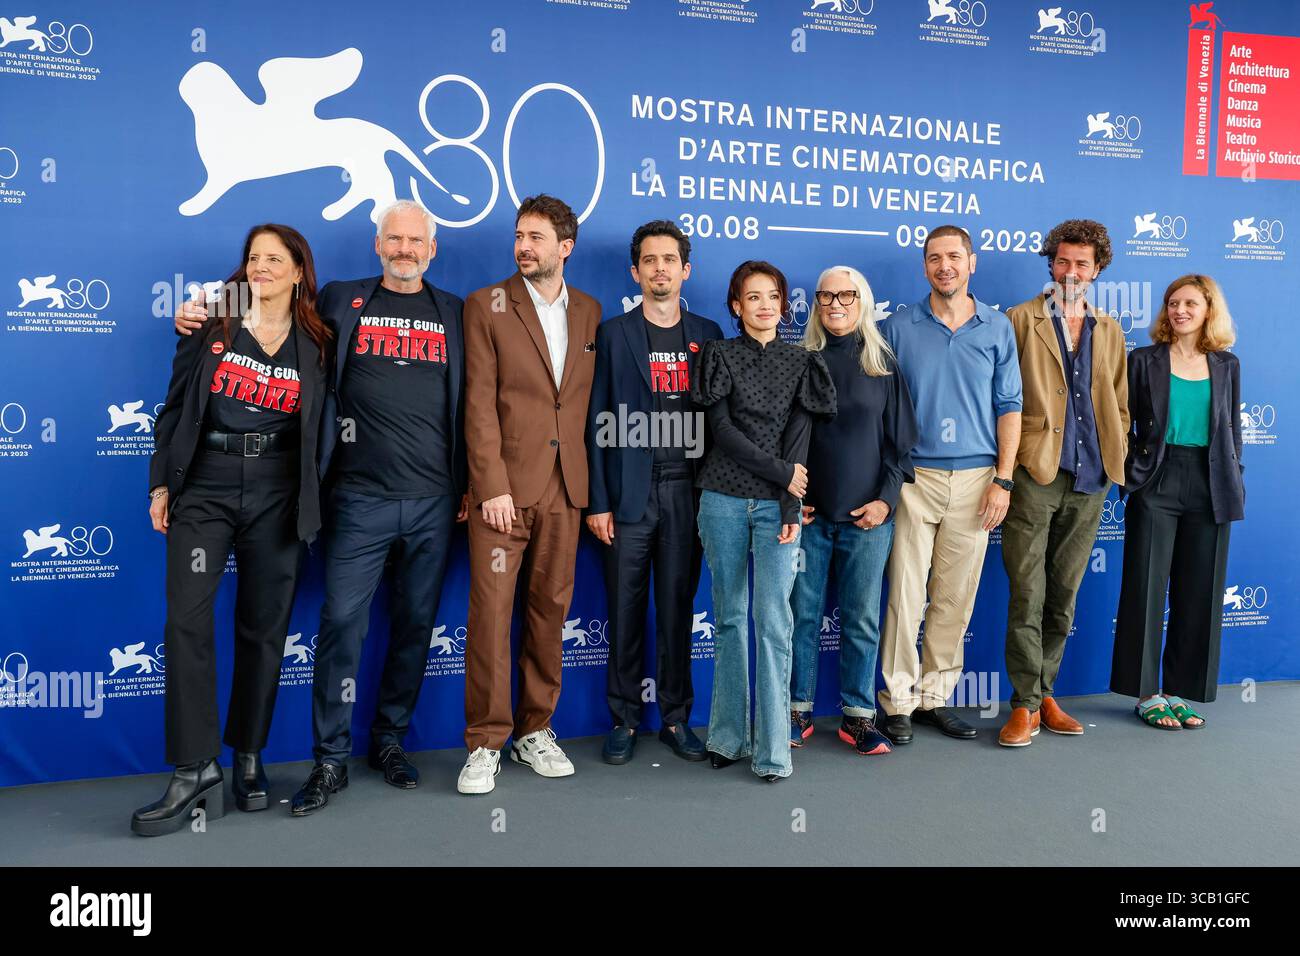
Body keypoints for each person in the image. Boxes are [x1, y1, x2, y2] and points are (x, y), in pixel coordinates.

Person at [174, 199, 468, 817]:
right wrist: (202, 310)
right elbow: (267, 299)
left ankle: (389, 740)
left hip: (434, 500)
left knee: (416, 624)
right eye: (394, 239)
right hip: (356, 498)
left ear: (432, 250)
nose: (405, 249)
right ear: (377, 245)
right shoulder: (339, 300)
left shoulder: (457, 313)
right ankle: (330, 756)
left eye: (416, 241)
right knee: (341, 626)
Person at [134, 224, 331, 836]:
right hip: (208, 484)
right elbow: (174, 408)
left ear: (300, 270)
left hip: (278, 489)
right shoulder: (212, 324)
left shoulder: (318, 340)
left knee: (264, 626)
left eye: (276, 258)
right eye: (253, 258)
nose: (262, 267)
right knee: (186, 620)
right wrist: (162, 482)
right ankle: (195, 769)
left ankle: (248, 754)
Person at [457, 195, 602, 795]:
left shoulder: (591, 312)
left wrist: (591, 495)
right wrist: (489, 485)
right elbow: (479, 402)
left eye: (537, 237)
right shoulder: (486, 304)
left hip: (566, 491)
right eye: (520, 235)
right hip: (503, 495)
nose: (524, 246)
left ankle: (534, 730)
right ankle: (486, 741)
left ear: (565, 247)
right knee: (491, 615)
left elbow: (585, 407)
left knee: (550, 612)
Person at [877, 225, 1023, 745]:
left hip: (979, 479)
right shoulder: (897, 327)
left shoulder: (997, 327)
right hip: (914, 478)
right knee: (905, 594)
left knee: (955, 597)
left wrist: (1003, 480)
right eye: (935, 258)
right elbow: (883, 409)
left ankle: (935, 698)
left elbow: (1010, 407)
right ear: (924, 267)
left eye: (954, 257)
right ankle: (898, 701)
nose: (945, 266)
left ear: (972, 262)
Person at [692, 260, 836, 782]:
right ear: (736, 306)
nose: (764, 305)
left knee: (774, 622)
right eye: (752, 297)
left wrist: (791, 504)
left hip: (778, 507)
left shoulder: (802, 363)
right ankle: (728, 738)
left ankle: (774, 750)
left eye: (772, 295)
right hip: (722, 499)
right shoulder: (719, 355)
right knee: (730, 618)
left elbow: (800, 439)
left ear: (784, 303)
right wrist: (781, 473)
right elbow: (722, 431)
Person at [585, 221, 723, 765]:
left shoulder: (708, 333)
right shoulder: (614, 333)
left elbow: (722, 421)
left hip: (689, 494)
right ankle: (622, 718)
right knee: (624, 608)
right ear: (635, 271)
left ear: (685, 270)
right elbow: (596, 419)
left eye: (670, 259)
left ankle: (674, 717)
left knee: (676, 610)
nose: (660, 268)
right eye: (650, 260)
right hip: (629, 495)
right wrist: (598, 501)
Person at [999, 220, 1129, 747]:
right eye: (1063, 261)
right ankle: (1024, 705)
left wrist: (1115, 455)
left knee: (1064, 593)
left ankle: (1045, 693)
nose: (1071, 271)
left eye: (1082, 264)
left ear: (1098, 269)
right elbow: (1004, 399)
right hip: (1035, 472)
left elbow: (1118, 401)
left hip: (1092, 476)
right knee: (1027, 590)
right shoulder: (1018, 320)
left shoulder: (1111, 328)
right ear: (1050, 262)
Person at [790, 266, 917, 757]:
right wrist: (792, 501)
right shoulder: (801, 361)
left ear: (862, 299)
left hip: (869, 519)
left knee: (862, 619)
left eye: (845, 294)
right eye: (826, 295)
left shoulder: (882, 363)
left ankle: (858, 718)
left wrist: (885, 501)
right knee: (801, 615)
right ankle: (797, 711)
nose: (835, 303)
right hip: (810, 518)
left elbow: (901, 447)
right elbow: (785, 442)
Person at [1112, 274, 1243, 731]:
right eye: (1173, 303)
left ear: (1209, 310)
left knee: (1199, 591)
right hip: (1157, 480)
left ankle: (1178, 692)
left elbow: (1232, 434)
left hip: (1211, 485)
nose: (1180, 310)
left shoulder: (1227, 364)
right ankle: (1147, 694)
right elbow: (1122, 420)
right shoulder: (1144, 360)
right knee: (1146, 587)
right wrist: (1133, 478)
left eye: (1190, 303)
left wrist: (1233, 480)